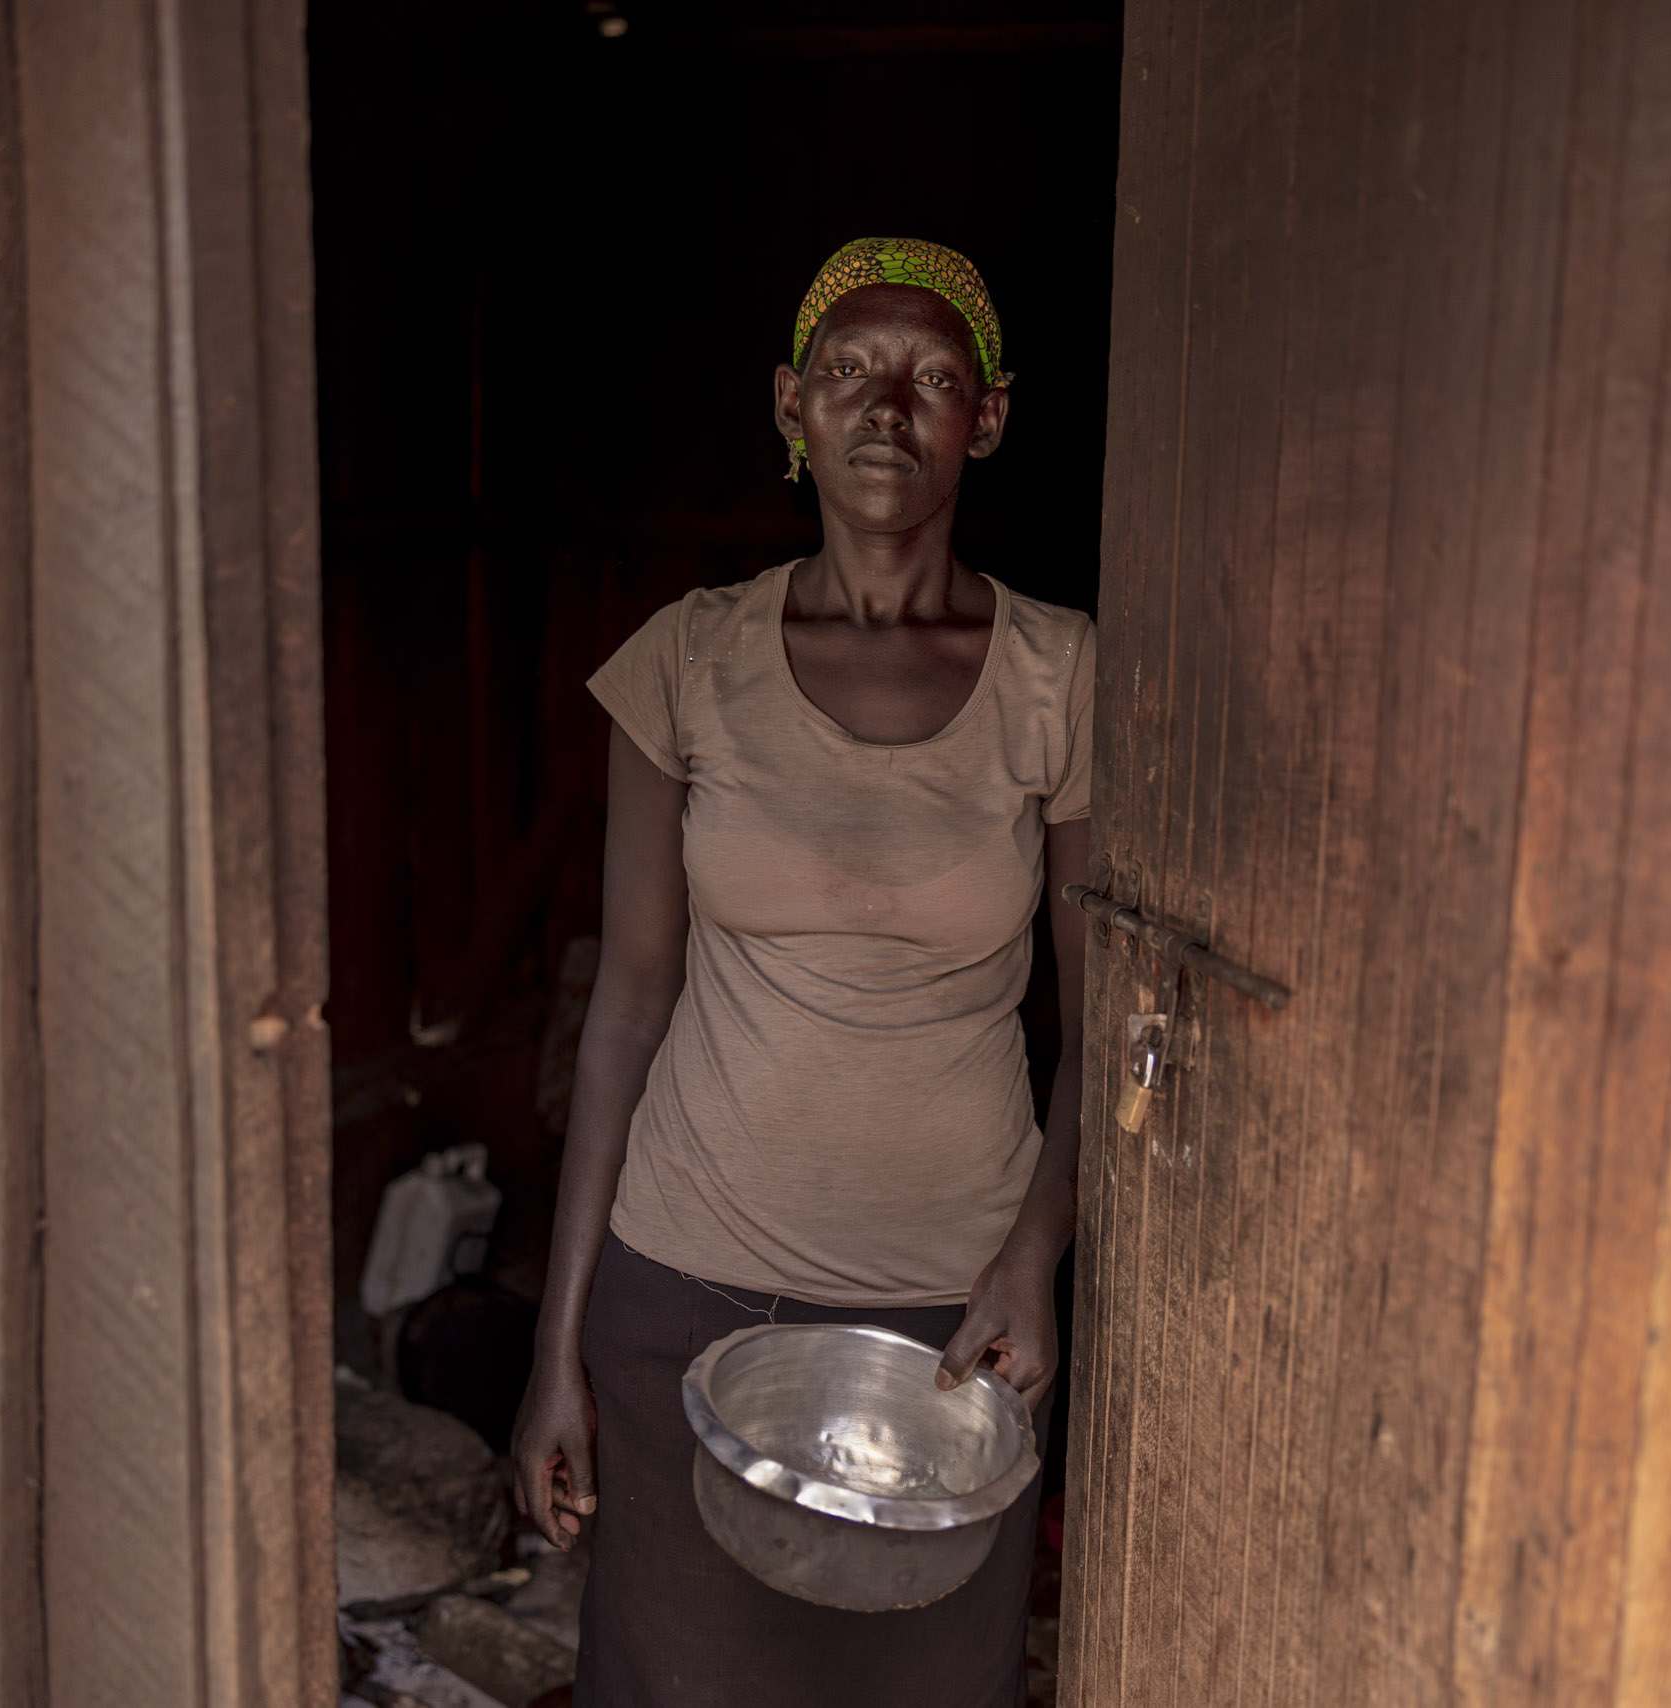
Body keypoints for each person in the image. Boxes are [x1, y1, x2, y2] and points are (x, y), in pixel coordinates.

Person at [510, 237, 1093, 1707]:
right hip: (687, 1297)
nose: (887, 406)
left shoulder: (1061, 676)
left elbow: (1108, 1025)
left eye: (933, 379)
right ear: (789, 404)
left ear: (991, 418)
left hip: (953, 1329)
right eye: (848, 370)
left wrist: (1035, 1258)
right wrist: (557, 1343)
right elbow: (626, 1009)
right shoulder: (686, 661)